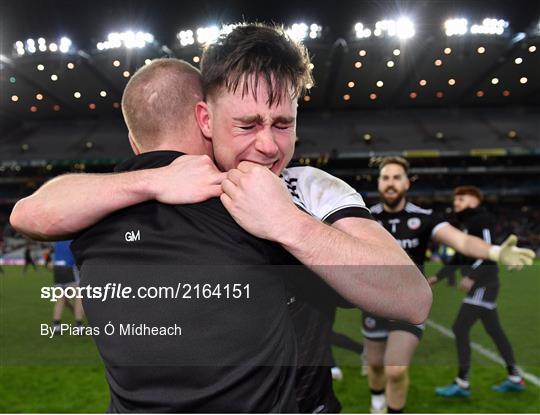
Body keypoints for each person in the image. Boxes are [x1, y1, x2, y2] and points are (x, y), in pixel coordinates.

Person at [11, 25, 431, 412]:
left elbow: (411, 299)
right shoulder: (161, 190)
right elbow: (31, 213)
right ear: (205, 120)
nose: (268, 145)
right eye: (247, 124)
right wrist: (154, 181)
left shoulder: (311, 188)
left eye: (282, 124)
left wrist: (287, 222)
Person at [364, 156, 535, 413]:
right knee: (376, 365)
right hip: (373, 302)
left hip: (409, 303)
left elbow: (463, 242)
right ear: (379, 183)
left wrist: (496, 253)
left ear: (407, 183)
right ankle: (376, 403)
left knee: (396, 370)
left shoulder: (423, 217)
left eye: (396, 177)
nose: (390, 183)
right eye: (385, 177)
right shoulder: (363, 217)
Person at [430, 186, 526, 396]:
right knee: (495, 331)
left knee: (459, 328)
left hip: (485, 284)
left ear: (475, 201)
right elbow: (458, 258)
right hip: (483, 284)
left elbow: (488, 252)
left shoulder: (480, 220)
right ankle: (515, 378)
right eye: (455, 199)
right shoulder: (464, 224)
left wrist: (472, 276)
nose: (456, 203)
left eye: (461, 199)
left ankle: (462, 383)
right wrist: (438, 277)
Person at [50, 240, 84, 335]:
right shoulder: (74, 239)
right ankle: (79, 326)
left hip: (57, 269)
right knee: (78, 297)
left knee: (60, 299)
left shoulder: (58, 240)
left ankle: (56, 326)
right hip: (69, 268)